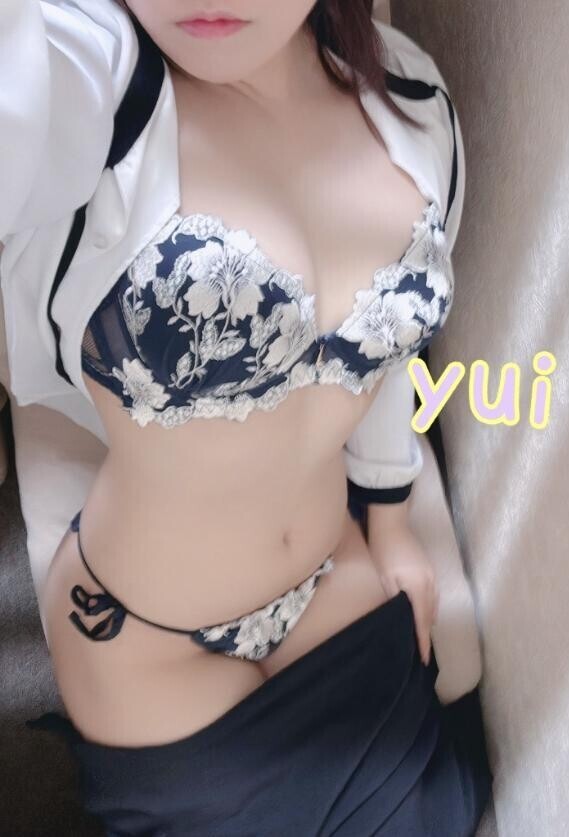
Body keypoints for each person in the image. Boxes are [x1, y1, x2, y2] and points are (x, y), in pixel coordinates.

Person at [2, 0, 492, 833]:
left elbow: (380, 347)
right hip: (145, 638)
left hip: (331, 580)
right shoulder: (89, 87)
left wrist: (391, 519)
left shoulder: (412, 99)